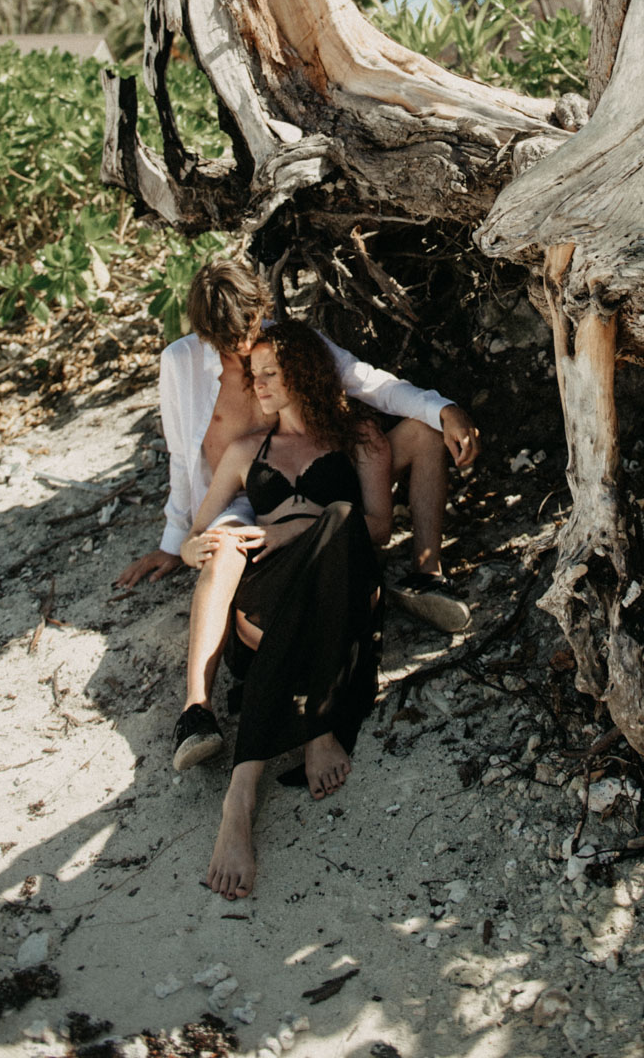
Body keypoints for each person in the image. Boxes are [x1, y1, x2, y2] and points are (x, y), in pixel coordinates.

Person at [113, 256, 481, 771]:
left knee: (421, 433)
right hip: (241, 500)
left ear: (260, 309)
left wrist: (441, 408)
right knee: (221, 552)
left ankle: (425, 575)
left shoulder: (289, 344)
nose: (240, 348)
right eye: (224, 340)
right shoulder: (180, 363)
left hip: (325, 477)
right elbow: (182, 454)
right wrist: (176, 541)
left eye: (245, 330)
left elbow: (367, 382)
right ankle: (195, 709)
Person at [183, 321, 390, 900]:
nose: (261, 386)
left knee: (342, 520)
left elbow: (377, 528)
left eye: (271, 373)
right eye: (255, 377)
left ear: (305, 371)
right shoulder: (247, 451)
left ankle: (243, 791)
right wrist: (193, 547)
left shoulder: (361, 437)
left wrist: (299, 525)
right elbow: (196, 532)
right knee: (319, 546)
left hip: (344, 591)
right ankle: (313, 728)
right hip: (268, 598)